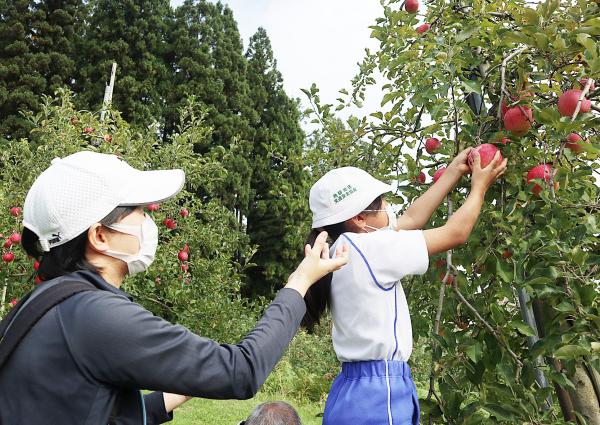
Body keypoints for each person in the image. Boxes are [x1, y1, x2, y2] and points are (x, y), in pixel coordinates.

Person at [0, 151, 349, 425]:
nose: (148, 219)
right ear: (99, 235)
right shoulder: (96, 315)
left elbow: (90, 409)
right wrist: (300, 282)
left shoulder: (44, 305)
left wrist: (177, 389)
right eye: (136, 210)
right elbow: (240, 372)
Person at [303, 148, 507, 424]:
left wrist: (454, 171)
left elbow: (411, 220)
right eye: (382, 202)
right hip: (381, 390)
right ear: (359, 219)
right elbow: (455, 233)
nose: (388, 206)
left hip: (352, 390)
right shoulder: (372, 248)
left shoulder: (340, 248)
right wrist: (479, 187)